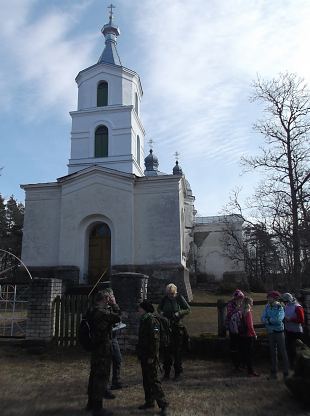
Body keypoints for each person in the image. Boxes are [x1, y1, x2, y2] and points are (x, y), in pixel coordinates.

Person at [86, 290, 121, 416]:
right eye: (108, 298)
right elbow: (118, 317)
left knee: (94, 375)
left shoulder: (92, 310)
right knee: (101, 376)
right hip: (102, 348)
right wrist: (114, 304)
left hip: (95, 347)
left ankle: (90, 404)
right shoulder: (102, 312)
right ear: (105, 299)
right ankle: (98, 408)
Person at [136, 300, 169, 416]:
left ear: (144, 309)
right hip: (144, 355)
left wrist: (151, 356)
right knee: (146, 379)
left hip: (150, 356)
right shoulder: (144, 319)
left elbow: (155, 341)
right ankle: (149, 402)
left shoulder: (151, 320)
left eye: (139, 308)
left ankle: (163, 405)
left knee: (154, 380)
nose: (138, 310)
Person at [157, 283, 191, 381]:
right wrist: (162, 313)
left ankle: (178, 373)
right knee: (166, 351)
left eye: (172, 294)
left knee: (177, 351)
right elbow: (159, 308)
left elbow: (188, 309)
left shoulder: (179, 298)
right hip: (167, 327)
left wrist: (179, 313)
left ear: (175, 292)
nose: (170, 296)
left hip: (177, 327)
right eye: (168, 294)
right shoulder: (164, 299)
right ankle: (166, 373)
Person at [261, 290, 289, 380]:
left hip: (279, 332)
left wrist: (268, 320)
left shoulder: (280, 307)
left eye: (270, 297)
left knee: (283, 352)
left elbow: (279, 319)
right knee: (273, 353)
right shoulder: (267, 307)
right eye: (268, 297)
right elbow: (262, 318)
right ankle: (274, 373)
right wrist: (269, 320)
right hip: (270, 332)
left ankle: (286, 372)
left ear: (275, 298)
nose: (268, 299)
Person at [104, 288, 123, 391]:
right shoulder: (103, 309)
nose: (112, 298)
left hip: (113, 337)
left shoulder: (111, 307)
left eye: (113, 296)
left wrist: (114, 305)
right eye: (111, 297)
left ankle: (116, 381)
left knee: (118, 359)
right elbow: (117, 317)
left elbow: (119, 317)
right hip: (106, 339)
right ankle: (105, 385)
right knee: (106, 363)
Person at [281, 292, 305, 368]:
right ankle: (292, 365)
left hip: (297, 331)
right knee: (290, 349)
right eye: (284, 301)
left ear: (289, 300)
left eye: (286, 301)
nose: (285, 303)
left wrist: (290, 319)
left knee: (298, 349)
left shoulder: (298, 307)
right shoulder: (286, 306)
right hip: (288, 330)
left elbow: (301, 320)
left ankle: (300, 365)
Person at [285, 339, 310, 406]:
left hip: (307, 383)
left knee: (288, 380)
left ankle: (300, 397)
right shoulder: (308, 350)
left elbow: (297, 372)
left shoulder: (300, 354)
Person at [239, 296, 259, 377]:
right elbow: (250, 326)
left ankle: (244, 367)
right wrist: (254, 334)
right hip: (249, 335)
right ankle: (250, 371)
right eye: (252, 302)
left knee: (245, 352)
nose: (252, 303)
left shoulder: (242, 312)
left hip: (243, 334)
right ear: (249, 303)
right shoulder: (248, 312)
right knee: (250, 354)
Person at [225, 289, 244, 371]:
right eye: (239, 298)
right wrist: (238, 310)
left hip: (240, 328)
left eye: (241, 298)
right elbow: (229, 314)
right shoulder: (231, 304)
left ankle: (239, 363)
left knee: (240, 346)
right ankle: (235, 364)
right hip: (232, 328)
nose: (240, 299)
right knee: (234, 346)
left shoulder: (241, 304)